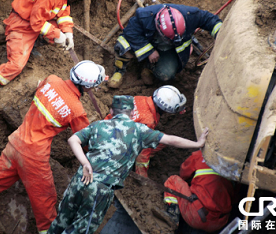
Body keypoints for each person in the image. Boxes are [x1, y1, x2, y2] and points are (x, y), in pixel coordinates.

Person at [48, 95, 209, 234]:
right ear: (132, 113)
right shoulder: (139, 130)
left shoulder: (98, 125)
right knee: (82, 228)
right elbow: (170, 139)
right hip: (100, 189)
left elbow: (72, 139)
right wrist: (197, 143)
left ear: (111, 112)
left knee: (61, 220)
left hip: (81, 178)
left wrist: (84, 163)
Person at [0, 60, 106, 234]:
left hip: (16, 143)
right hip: (34, 157)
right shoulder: (76, 110)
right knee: (45, 202)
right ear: (89, 87)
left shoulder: (51, 79)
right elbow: (86, 140)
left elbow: (44, 90)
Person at [0, 0, 99, 95]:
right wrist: (57, 34)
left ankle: (32, 45)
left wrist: (68, 33)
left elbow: (63, 13)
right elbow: (36, 23)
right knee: (16, 66)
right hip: (22, 24)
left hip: (36, 20)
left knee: (56, 31)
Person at [108, 4, 222, 88]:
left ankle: (150, 68)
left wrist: (222, 33)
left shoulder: (190, 15)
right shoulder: (144, 16)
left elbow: (209, 19)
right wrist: (149, 51)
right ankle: (119, 70)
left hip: (169, 50)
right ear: (158, 27)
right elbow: (131, 33)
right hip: (149, 42)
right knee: (123, 44)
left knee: (166, 74)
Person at [105, 85, 187, 177]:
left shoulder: (140, 99)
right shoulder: (148, 120)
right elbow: (144, 153)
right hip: (114, 147)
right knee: (159, 141)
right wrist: (142, 176)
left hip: (107, 129)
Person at [163, 150, 235, 233]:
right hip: (220, 221)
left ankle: (171, 220)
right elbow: (235, 197)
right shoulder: (236, 164)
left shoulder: (201, 155)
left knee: (173, 181)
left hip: (198, 216)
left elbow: (183, 174)